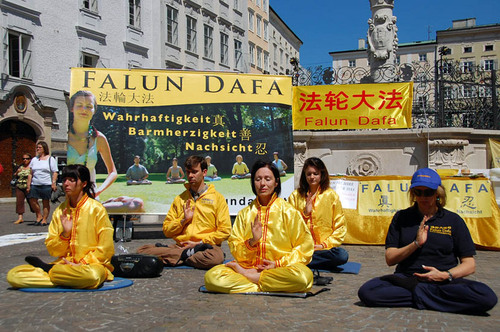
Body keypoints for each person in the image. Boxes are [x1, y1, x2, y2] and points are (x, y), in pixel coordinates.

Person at [358, 168, 498, 314]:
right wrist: (416, 244)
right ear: (413, 194)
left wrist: (445, 275)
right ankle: (432, 297)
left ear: (438, 193)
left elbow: (469, 265)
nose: (423, 197)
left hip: (443, 281)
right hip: (408, 280)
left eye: (428, 192)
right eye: (418, 192)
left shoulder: (453, 220)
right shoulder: (401, 217)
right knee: (368, 292)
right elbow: (390, 258)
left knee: (486, 297)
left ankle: (421, 295)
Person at [204, 161, 314, 293]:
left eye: (268, 179)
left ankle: (252, 279)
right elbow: (235, 248)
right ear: (253, 182)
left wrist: (277, 264)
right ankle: (264, 282)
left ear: (276, 182)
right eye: (258, 179)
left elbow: (305, 248)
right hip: (248, 267)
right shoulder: (244, 214)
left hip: (280, 269)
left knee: (303, 278)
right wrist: (252, 242)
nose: (263, 184)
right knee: (212, 278)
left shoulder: (289, 212)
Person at [7, 164, 115, 289]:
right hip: (64, 265)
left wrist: (82, 263)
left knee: (92, 277)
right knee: (14, 276)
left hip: (91, 266)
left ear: (84, 184)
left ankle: (51, 272)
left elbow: (106, 248)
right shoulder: (60, 211)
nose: (66, 184)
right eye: (64, 180)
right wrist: (65, 235)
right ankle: (60, 275)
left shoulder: (96, 209)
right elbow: (53, 249)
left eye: (72, 180)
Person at [137, 155, 231, 269]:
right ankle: (185, 255)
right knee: (142, 250)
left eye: (194, 172)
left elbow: (225, 231)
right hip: (181, 246)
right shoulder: (180, 199)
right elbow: (167, 230)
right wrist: (183, 220)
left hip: (206, 247)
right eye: (188, 172)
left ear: (204, 172)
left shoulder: (217, 198)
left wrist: (199, 243)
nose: (190, 176)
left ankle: (176, 257)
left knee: (214, 258)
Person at [288, 157, 348, 280]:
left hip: (323, 249)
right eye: (309, 174)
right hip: (302, 247)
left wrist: (323, 245)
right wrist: (305, 213)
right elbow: (289, 226)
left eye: (316, 173)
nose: (312, 177)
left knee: (341, 255)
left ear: (322, 174)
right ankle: (302, 259)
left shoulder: (331, 196)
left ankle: (301, 261)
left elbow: (340, 227)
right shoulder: (295, 196)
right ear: (304, 176)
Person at [67, 90, 117, 197]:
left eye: (89, 106)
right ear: (72, 108)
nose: (84, 109)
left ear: (94, 110)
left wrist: (97, 192)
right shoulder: (65, 135)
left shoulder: (99, 138)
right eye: (79, 105)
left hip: (89, 198)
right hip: (67, 197)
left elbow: (113, 172)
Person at [27, 142, 58, 226]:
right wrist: (28, 185)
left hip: (46, 184)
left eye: (39, 147)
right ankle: (38, 215)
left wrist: (53, 183)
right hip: (35, 183)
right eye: (37, 147)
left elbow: (55, 172)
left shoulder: (50, 159)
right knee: (32, 199)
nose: (38, 149)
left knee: (45, 202)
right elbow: (30, 173)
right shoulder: (34, 159)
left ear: (44, 148)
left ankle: (44, 219)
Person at [13, 153, 33, 224]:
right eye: (23, 159)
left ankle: (38, 215)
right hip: (19, 186)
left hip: (28, 186)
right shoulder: (20, 167)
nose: (25, 160)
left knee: (32, 202)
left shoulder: (32, 167)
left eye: (27, 159)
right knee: (19, 202)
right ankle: (20, 217)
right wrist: (17, 172)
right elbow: (15, 175)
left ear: (30, 160)